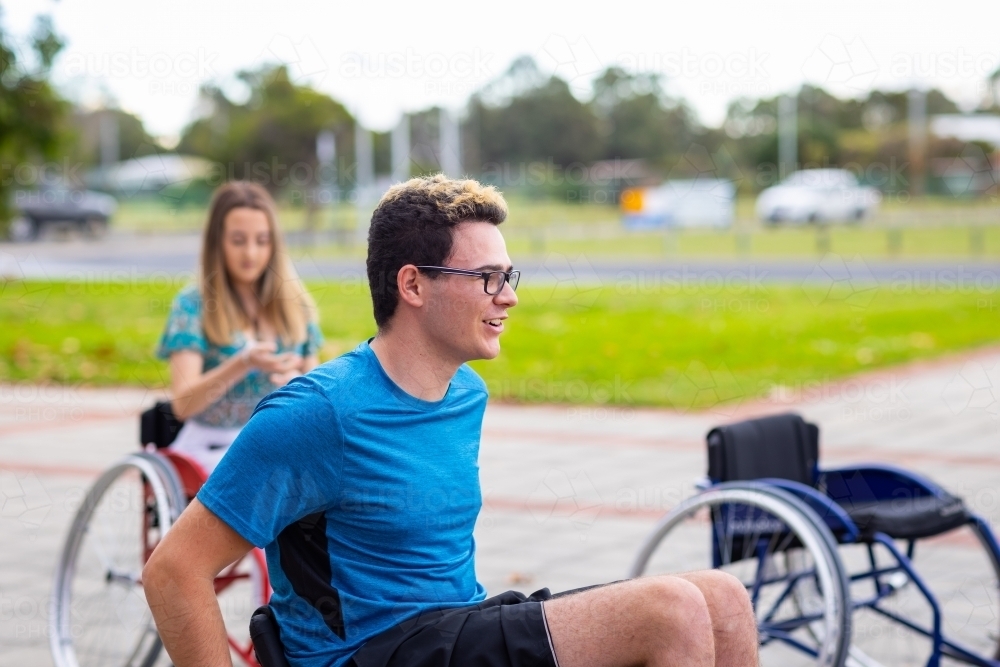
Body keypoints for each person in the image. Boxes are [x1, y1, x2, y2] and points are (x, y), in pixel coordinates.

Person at [144, 175, 758, 667]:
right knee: (670, 610)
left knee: (724, 600)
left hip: (455, 627)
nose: (509, 296)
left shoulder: (465, 393)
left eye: (508, 275)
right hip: (369, 651)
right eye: (486, 278)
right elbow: (174, 571)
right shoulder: (317, 414)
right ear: (412, 284)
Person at [155, 180, 323, 474]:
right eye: (238, 240)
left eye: (262, 240)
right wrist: (242, 363)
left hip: (279, 444)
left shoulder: (296, 304)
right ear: (217, 242)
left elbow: (319, 400)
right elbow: (182, 404)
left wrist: (296, 383)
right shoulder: (193, 304)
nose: (251, 253)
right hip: (212, 450)